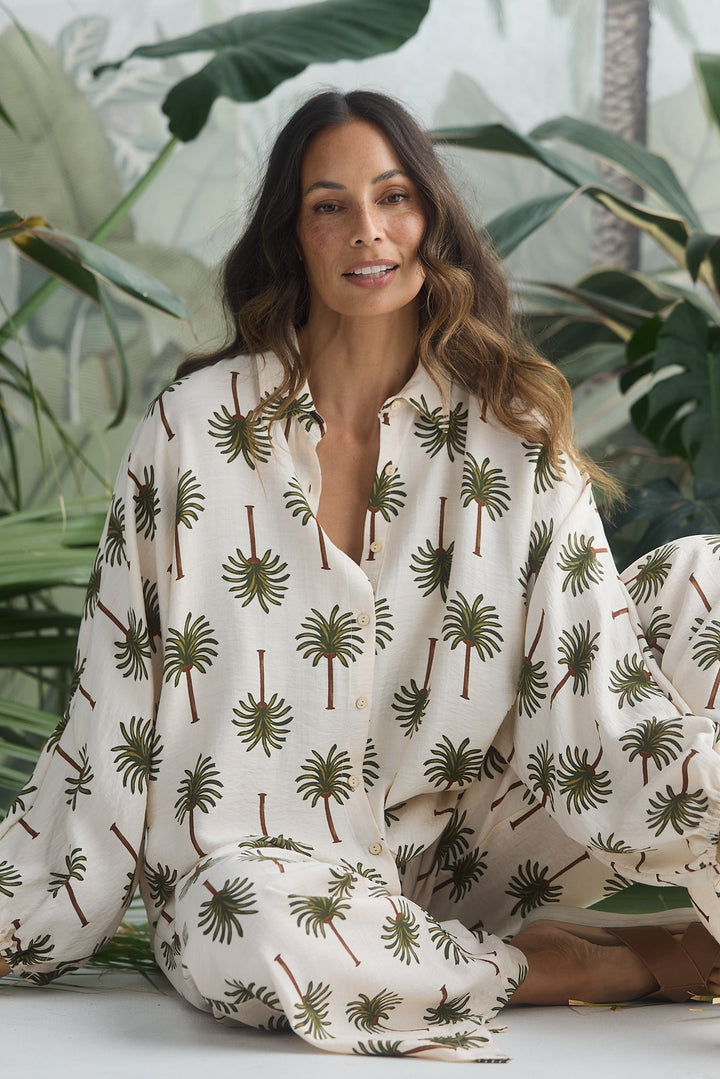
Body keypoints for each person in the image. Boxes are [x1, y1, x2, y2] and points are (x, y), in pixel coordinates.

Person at [1, 89, 719, 1063]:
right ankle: (579, 966)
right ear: (291, 235)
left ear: (431, 217)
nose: (367, 231)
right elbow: (113, 713)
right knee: (239, 916)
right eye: (328, 204)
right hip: (270, 885)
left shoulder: (510, 439)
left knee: (701, 588)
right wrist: (30, 904)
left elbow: (596, 705)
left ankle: (451, 951)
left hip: (462, 858)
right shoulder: (195, 431)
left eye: (393, 197)